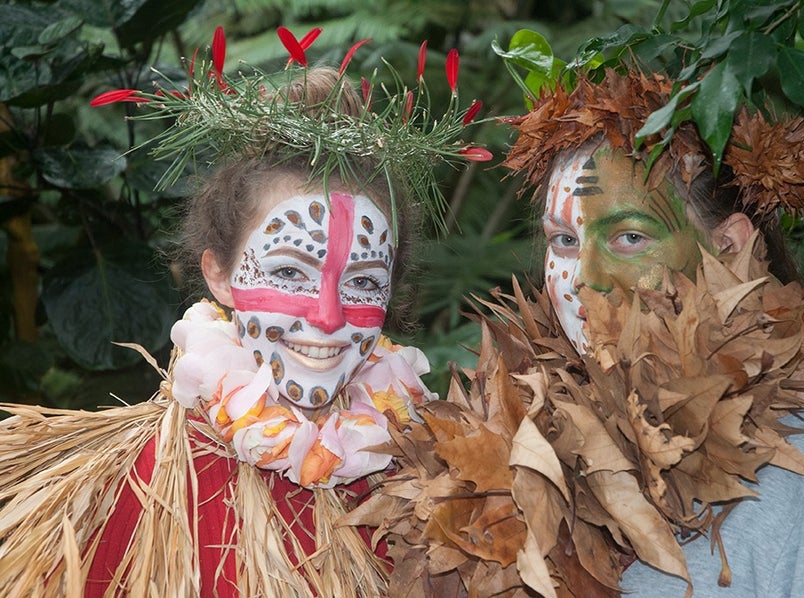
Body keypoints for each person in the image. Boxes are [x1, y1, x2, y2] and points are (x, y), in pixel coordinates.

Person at [345, 69, 804, 597]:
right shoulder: (512, 450)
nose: (584, 279)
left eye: (630, 238)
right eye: (564, 241)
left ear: (728, 245)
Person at [0, 27, 489, 597]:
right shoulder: (147, 483)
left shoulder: (426, 471)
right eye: (289, 273)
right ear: (220, 276)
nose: (328, 317)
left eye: (361, 282)